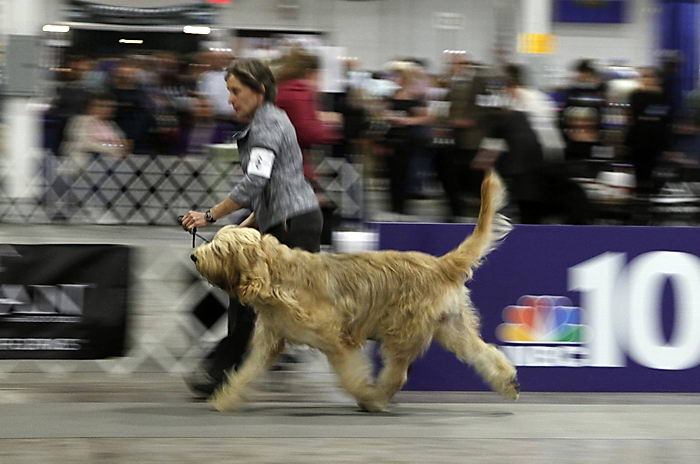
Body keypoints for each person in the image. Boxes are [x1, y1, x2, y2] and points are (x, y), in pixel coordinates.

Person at [180, 58, 323, 398]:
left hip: (294, 226)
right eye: (229, 91)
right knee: (246, 298)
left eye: (236, 91)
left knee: (304, 308)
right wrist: (247, 225)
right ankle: (222, 370)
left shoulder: (267, 125)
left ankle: (224, 367)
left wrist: (210, 216)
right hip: (285, 222)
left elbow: (255, 182)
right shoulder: (269, 120)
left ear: (259, 91)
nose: (230, 99)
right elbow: (273, 187)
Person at [625, 67, 672, 195]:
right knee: (639, 175)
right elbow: (637, 113)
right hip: (638, 140)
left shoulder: (664, 96)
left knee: (655, 175)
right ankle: (639, 201)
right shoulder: (635, 95)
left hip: (656, 140)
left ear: (657, 79)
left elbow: (665, 118)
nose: (646, 79)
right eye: (644, 76)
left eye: (650, 76)